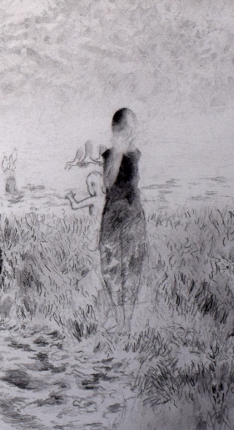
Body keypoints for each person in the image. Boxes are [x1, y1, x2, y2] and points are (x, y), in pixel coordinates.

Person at [97, 107, 147, 334]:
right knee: (111, 267)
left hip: (133, 216)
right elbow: (108, 182)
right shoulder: (110, 154)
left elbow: (137, 185)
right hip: (112, 217)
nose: (130, 132)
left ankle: (127, 321)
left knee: (132, 268)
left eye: (132, 128)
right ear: (115, 129)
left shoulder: (136, 154)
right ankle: (120, 320)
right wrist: (117, 151)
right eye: (125, 128)